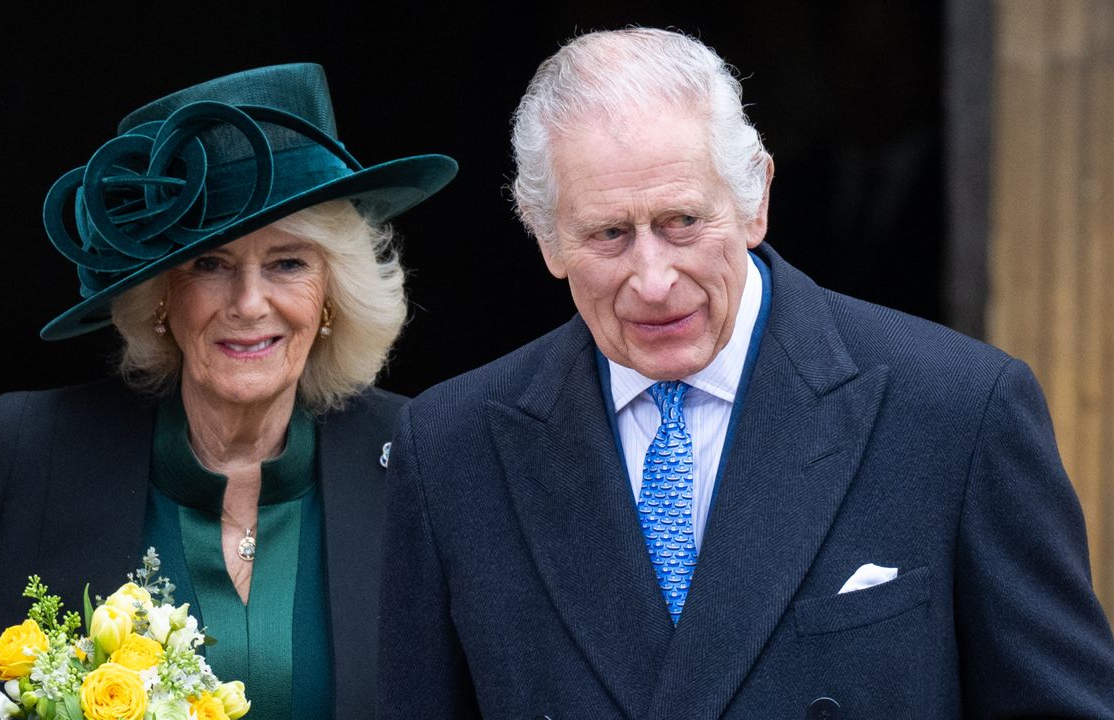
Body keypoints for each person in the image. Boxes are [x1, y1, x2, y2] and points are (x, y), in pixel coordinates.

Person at [378, 28, 1114, 718]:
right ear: (546, 237)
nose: (653, 279)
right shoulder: (451, 448)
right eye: (608, 234)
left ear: (755, 197)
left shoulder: (959, 410)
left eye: (682, 223)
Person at [0, 63, 456, 720]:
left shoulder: (418, 457)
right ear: (161, 297)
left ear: (332, 293)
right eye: (209, 265)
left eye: (288, 263)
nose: (249, 304)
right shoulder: (34, 450)